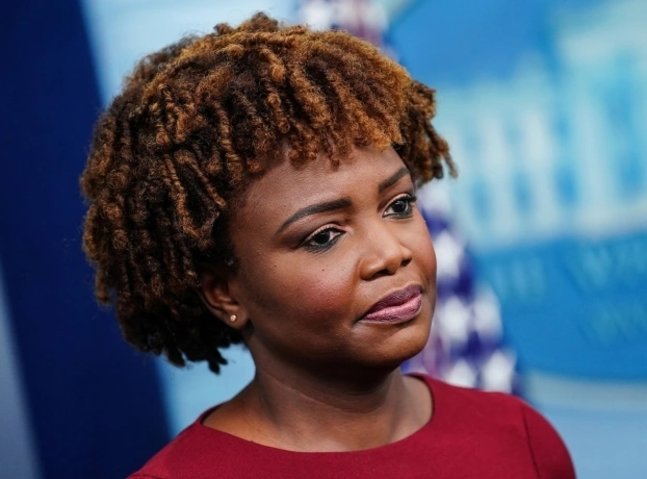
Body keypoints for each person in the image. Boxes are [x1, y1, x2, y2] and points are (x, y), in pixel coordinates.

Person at [81, 12, 575, 478]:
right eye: (324, 236)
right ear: (224, 293)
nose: (391, 253)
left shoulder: (519, 438)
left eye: (399, 205)